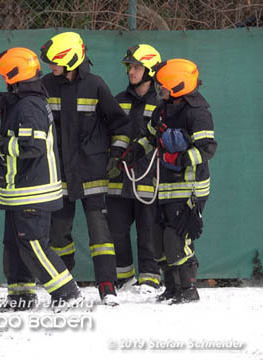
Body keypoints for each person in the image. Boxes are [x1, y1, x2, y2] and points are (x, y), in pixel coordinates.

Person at [0, 47, 82, 311]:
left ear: (16, 74)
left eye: (5, 75)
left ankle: (68, 293)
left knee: (34, 245)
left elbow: (31, 146)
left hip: (32, 191)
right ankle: (21, 296)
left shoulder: (29, 105)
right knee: (15, 247)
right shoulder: (22, 102)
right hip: (19, 191)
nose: (3, 80)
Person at [39, 31, 132, 305]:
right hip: (60, 175)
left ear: (71, 60)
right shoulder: (46, 85)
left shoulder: (95, 86)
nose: (50, 66)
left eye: (55, 61)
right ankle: (66, 290)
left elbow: (121, 125)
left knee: (100, 234)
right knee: (58, 235)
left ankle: (107, 288)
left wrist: (116, 155)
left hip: (92, 174)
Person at [121, 59, 217, 303]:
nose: (159, 88)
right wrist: (135, 151)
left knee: (178, 238)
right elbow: (151, 137)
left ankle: (188, 290)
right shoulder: (162, 109)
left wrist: (182, 158)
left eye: (164, 84)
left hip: (189, 188)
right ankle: (172, 288)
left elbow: (207, 149)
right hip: (164, 186)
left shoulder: (198, 113)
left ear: (177, 85)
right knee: (158, 239)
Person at [106, 44, 162, 293]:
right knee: (116, 229)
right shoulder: (119, 100)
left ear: (150, 71)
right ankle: (124, 277)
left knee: (148, 229)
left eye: (137, 67)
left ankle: (150, 277)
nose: (131, 71)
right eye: (130, 67)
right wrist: (115, 157)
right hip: (120, 176)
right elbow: (114, 133)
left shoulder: (163, 101)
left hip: (150, 175)